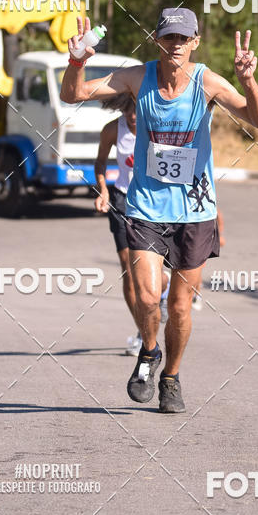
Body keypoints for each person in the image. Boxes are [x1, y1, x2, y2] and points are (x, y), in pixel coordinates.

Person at [61, 7, 258, 414]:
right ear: (157, 40)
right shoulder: (138, 78)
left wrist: (248, 80)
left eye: (183, 39)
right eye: (168, 38)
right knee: (146, 295)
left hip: (195, 211)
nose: (175, 45)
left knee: (178, 306)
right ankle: (149, 351)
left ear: (195, 42)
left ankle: (171, 377)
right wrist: (76, 61)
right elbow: (75, 93)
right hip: (145, 207)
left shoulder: (207, 81)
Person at [93, 93, 170, 355]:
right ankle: (142, 333)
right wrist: (102, 189)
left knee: (157, 276)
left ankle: (161, 297)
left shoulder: (158, 127)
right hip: (122, 200)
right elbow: (100, 162)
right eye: (128, 112)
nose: (133, 117)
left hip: (152, 202)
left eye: (137, 111)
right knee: (129, 269)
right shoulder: (113, 129)